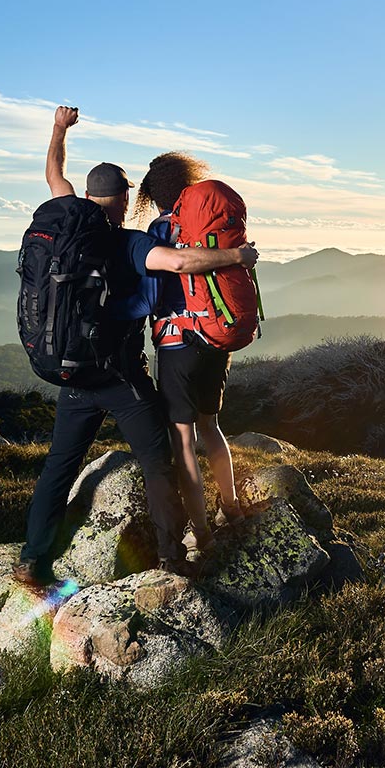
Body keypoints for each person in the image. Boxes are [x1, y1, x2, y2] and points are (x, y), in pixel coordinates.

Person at [14, 106, 258, 588]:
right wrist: (235, 255)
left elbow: (52, 173)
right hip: (120, 377)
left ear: (87, 196)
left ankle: (31, 560)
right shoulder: (128, 242)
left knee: (59, 469)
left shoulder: (66, 219)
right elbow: (180, 263)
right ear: (124, 200)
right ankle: (173, 557)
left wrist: (59, 129)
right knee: (157, 459)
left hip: (72, 373)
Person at [132, 152, 247, 558]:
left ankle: (201, 532)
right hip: (215, 335)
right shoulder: (210, 225)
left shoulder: (160, 229)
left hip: (176, 343)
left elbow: (154, 287)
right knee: (211, 426)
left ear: (154, 194)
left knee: (183, 439)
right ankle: (230, 506)